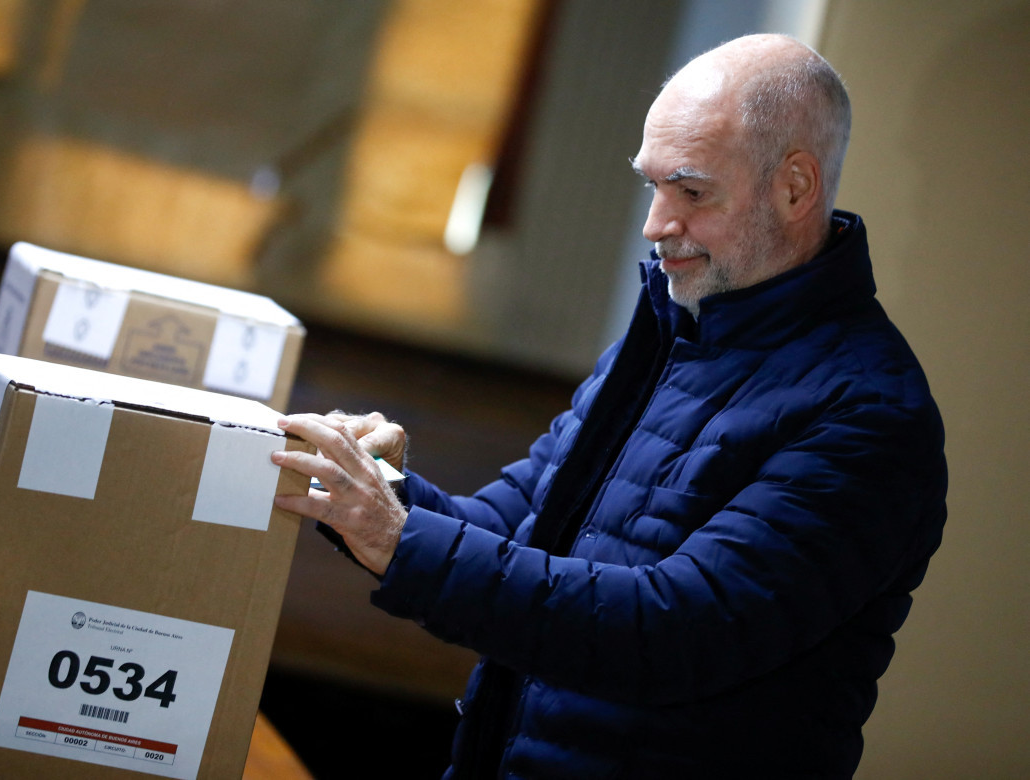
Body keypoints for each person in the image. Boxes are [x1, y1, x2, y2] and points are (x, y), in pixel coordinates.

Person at [271, 33, 947, 778]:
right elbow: (517, 529)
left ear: (794, 187)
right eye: (652, 187)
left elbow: (668, 632)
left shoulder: (871, 416)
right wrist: (373, 491)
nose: (657, 224)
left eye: (690, 192)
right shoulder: (673, 331)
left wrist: (396, 536)